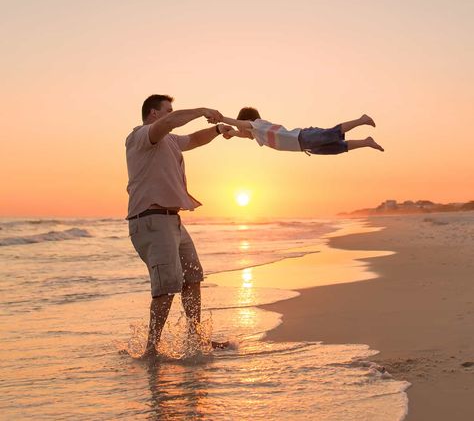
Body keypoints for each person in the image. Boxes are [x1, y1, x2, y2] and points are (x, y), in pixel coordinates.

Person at [125, 94, 234, 357]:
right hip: (150, 220)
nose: (171, 114)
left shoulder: (170, 141)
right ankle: (151, 349)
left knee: (192, 277)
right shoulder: (141, 136)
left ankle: (196, 339)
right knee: (167, 286)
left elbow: (194, 140)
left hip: (172, 221)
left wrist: (218, 129)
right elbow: (172, 122)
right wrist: (201, 109)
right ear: (153, 114)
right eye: (167, 110)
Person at [210, 107, 384, 154]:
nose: (240, 128)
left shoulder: (259, 125)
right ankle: (366, 142)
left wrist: (222, 119)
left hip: (303, 137)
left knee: (332, 133)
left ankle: (362, 119)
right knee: (337, 148)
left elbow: (241, 126)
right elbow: (242, 134)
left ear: (246, 121)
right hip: (304, 147)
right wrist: (229, 133)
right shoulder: (257, 135)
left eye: (241, 124)